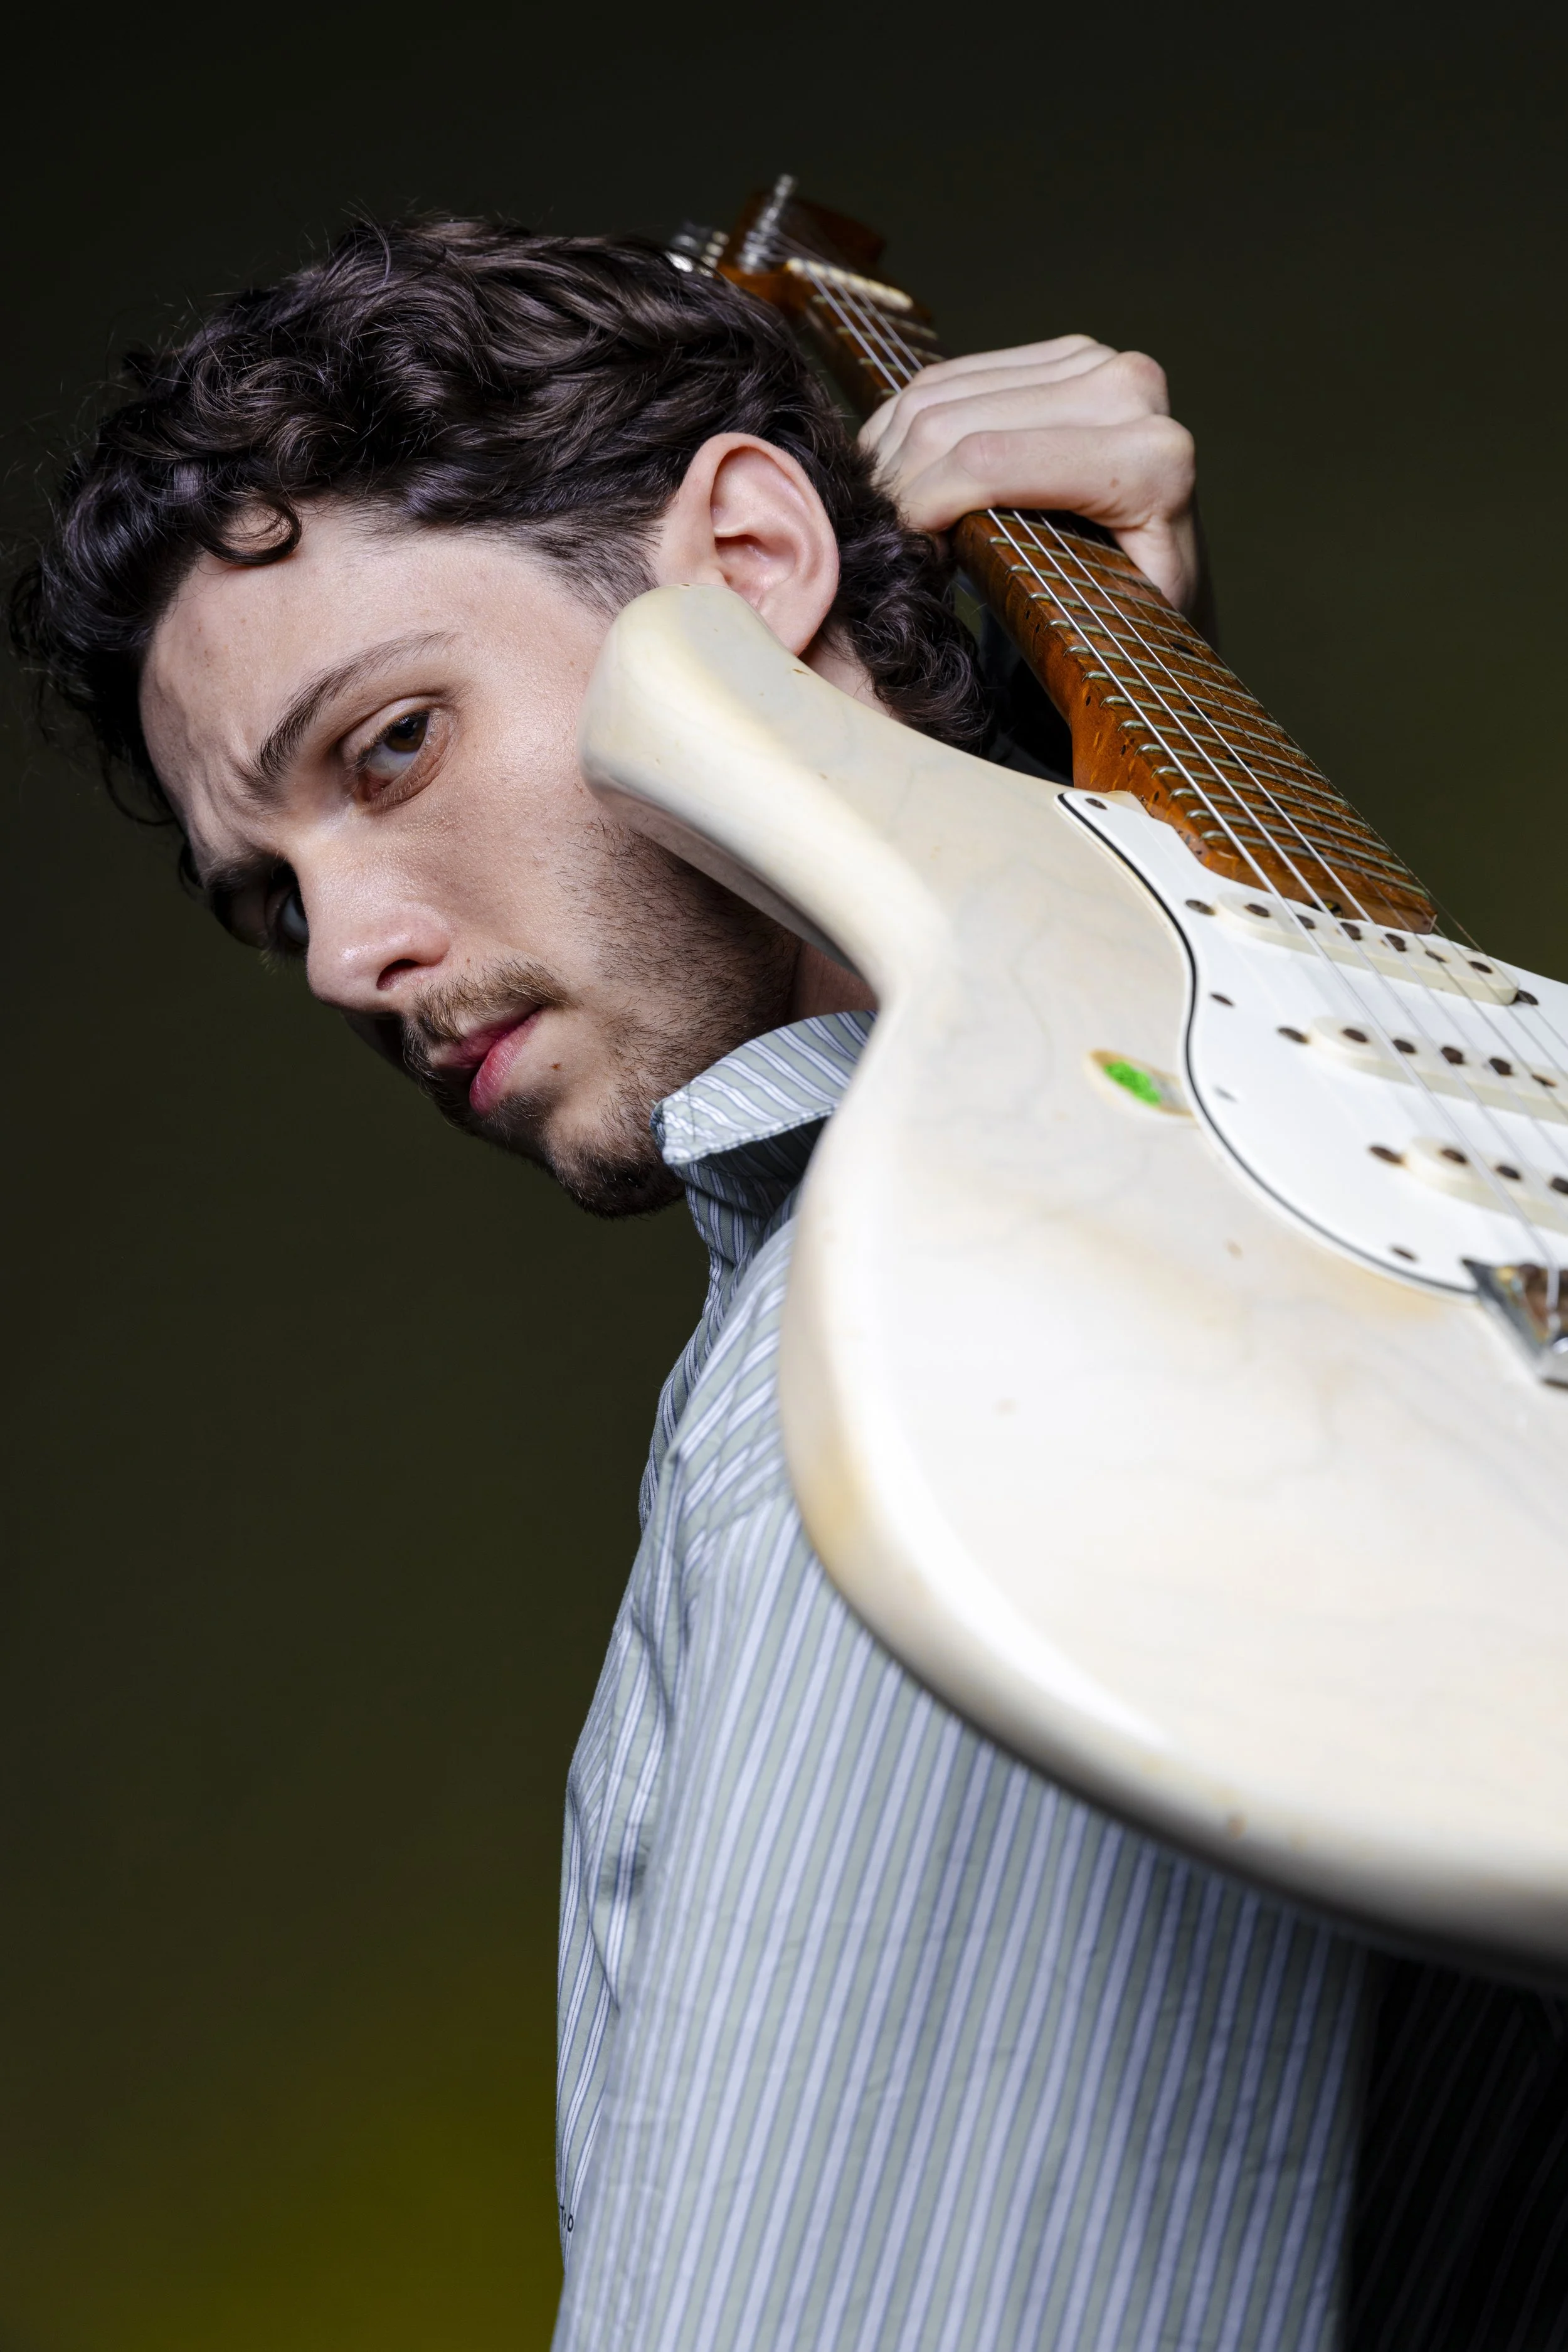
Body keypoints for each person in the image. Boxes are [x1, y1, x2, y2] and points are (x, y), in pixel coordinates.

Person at [13, 217, 1567, 2352]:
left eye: (387, 748)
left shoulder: (902, 1351)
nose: (355, 951)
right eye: (273, 907)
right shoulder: (1291, 1245)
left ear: (746, 572)